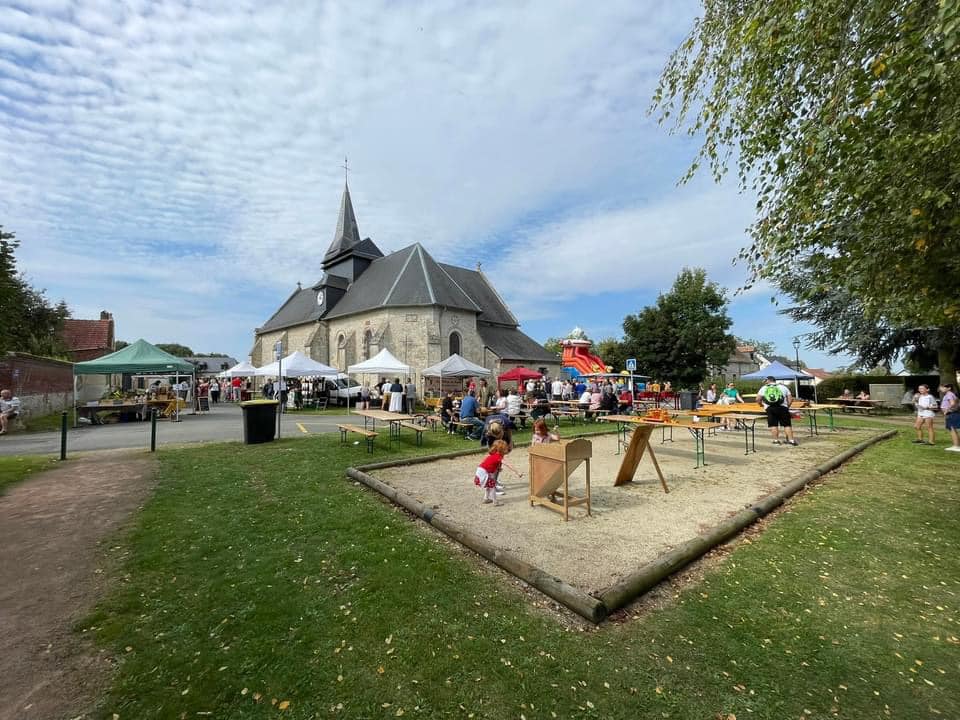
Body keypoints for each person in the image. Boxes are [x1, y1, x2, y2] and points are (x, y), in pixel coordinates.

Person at [473, 439, 521, 505]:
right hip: (484, 472)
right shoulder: (498, 456)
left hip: (481, 471)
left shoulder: (495, 455)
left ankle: (486, 499)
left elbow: (492, 464)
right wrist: (517, 472)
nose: (507, 449)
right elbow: (508, 465)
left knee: (489, 486)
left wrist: (498, 468)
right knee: (492, 486)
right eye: (505, 448)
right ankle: (495, 502)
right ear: (501, 450)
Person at [758, 375, 798, 446]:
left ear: (768, 380)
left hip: (770, 408)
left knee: (773, 425)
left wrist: (762, 405)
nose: (765, 382)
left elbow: (758, 399)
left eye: (766, 381)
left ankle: (776, 441)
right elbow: (790, 399)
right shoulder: (783, 387)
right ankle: (791, 441)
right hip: (783, 408)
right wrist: (787, 406)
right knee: (787, 425)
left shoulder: (764, 388)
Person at [939, 383, 960, 452]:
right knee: (953, 429)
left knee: (952, 429)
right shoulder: (949, 394)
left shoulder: (949, 394)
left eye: (943, 387)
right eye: (940, 387)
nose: (941, 389)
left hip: (951, 414)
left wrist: (946, 410)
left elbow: (952, 403)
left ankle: (956, 446)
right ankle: (956, 445)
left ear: (949, 388)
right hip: (951, 414)